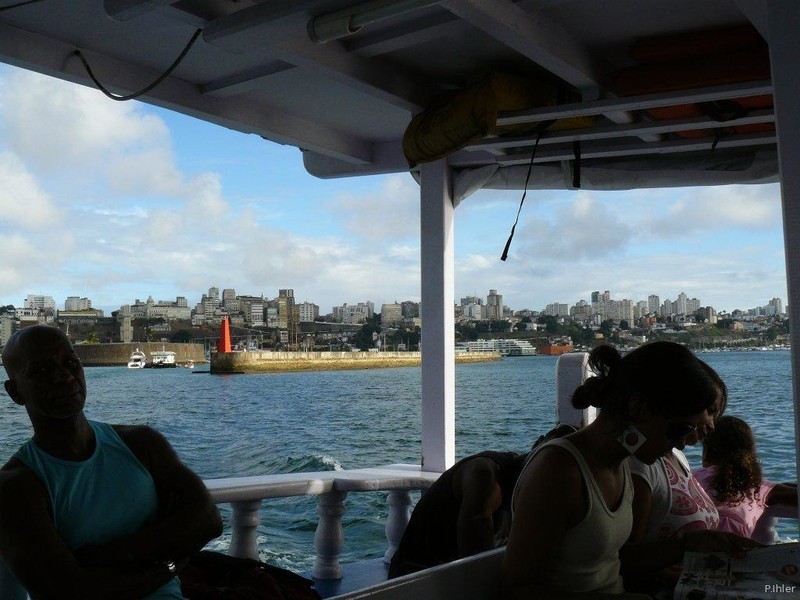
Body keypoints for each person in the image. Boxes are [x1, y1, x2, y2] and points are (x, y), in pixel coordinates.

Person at [503, 342, 759, 600]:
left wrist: (690, 544)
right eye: (679, 430)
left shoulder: (621, 462)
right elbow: (522, 588)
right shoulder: (560, 471)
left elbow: (611, 561)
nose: (682, 443)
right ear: (639, 409)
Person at [0, 325, 223, 600]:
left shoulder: (142, 443)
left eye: (70, 363)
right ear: (15, 392)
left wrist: (104, 555)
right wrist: (170, 561)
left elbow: (208, 519)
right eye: (42, 370)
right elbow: (70, 593)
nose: (65, 377)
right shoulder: (15, 487)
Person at [388, 449, 528, 578]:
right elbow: (476, 572)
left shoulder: (523, 491)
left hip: (442, 581)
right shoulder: (483, 475)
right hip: (414, 581)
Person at [694, 415, 798, 538]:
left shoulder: (691, 477)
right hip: (735, 553)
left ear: (706, 453)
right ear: (750, 452)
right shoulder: (758, 488)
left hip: (691, 548)